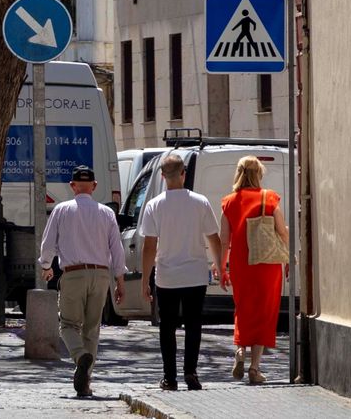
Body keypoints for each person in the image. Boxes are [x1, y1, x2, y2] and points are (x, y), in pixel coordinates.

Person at [38, 165, 127, 398]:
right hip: (101, 275)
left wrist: (46, 266)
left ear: (72, 185)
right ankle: (85, 381)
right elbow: (116, 249)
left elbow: (48, 244)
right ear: (94, 186)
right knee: (92, 329)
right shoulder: (106, 213)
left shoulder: (62, 210)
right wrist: (120, 280)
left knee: (68, 325)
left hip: (73, 274)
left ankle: (79, 356)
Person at [140, 154, 224, 391]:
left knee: (167, 327)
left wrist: (145, 280)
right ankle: (191, 372)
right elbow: (214, 238)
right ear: (183, 174)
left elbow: (149, 247)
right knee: (193, 324)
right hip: (195, 275)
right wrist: (219, 266)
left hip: (167, 277)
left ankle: (170, 377)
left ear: (162, 176)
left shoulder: (154, 205)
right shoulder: (200, 202)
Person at [220, 155, 289, 384]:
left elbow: (224, 240)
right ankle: (255, 368)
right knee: (264, 312)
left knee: (243, 308)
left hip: (241, 263)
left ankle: (240, 350)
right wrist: (288, 257)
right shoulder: (269, 198)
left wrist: (221, 267)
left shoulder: (229, 202)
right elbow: (282, 232)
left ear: (238, 174)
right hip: (266, 264)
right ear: (258, 174)